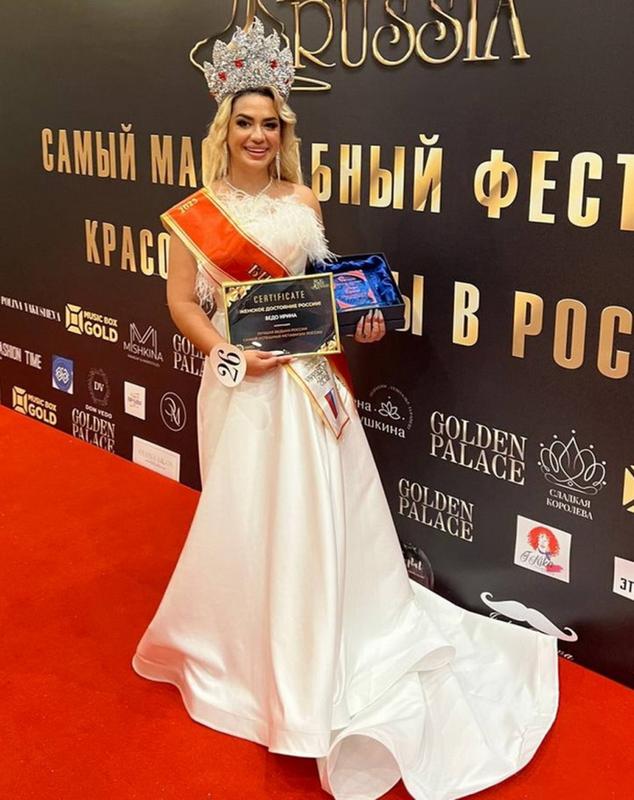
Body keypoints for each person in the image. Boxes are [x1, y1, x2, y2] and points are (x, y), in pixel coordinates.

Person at [132, 18, 559, 800]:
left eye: (270, 124)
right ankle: (246, 649)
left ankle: (323, 639)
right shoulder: (194, 213)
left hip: (308, 384)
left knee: (315, 511)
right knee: (244, 516)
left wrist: (358, 318)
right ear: (224, 127)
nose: (258, 135)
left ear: (283, 131)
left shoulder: (303, 196)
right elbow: (182, 303)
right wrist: (229, 353)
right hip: (243, 384)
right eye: (245, 122)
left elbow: (320, 290)